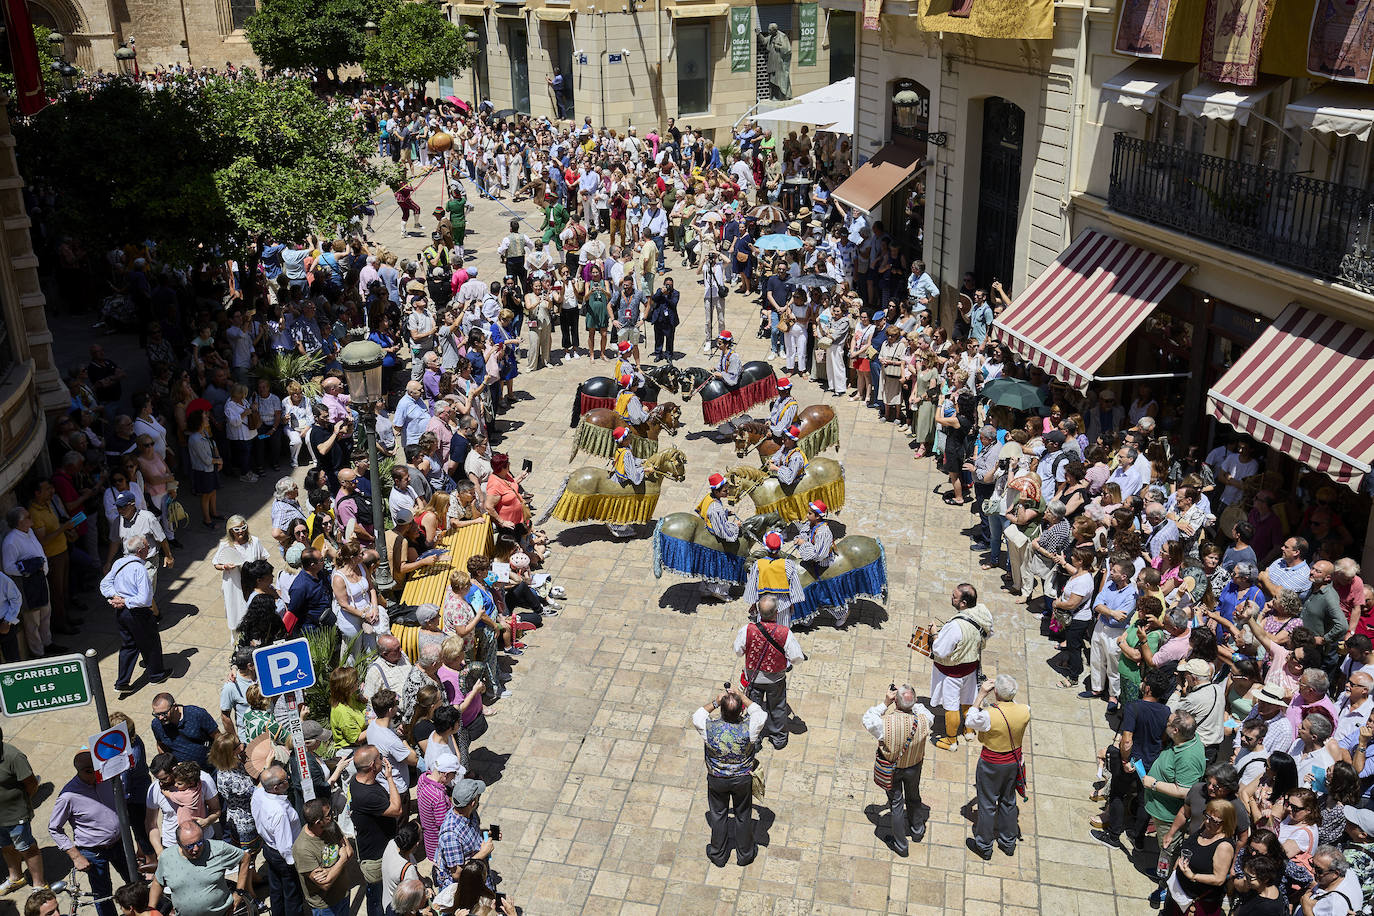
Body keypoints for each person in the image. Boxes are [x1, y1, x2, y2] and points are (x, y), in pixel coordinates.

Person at [692, 685, 765, 867]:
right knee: (743, 814)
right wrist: (741, 696)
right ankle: (745, 854)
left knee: (718, 815)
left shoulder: (708, 727)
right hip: (742, 779)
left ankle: (718, 854)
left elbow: (698, 715)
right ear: (741, 710)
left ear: (722, 711)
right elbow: (758, 712)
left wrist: (716, 702)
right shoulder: (750, 727)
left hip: (717, 779)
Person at [964, 674, 1031, 859]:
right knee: (1008, 801)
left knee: (987, 804)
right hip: (1013, 762)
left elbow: (970, 720)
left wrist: (980, 695)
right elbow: (1012, 706)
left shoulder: (989, 715)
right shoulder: (1025, 710)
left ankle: (984, 846)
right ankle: (1008, 843)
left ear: (995, 693)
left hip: (991, 763)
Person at [863, 684, 933, 857]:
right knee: (914, 796)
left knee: (896, 804)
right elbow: (923, 710)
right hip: (914, 766)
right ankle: (917, 830)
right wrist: (912, 702)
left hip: (891, 769)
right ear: (915, 701)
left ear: (895, 702)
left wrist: (885, 703)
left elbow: (867, 718)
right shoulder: (925, 720)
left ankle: (901, 846)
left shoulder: (884, 723)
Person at [734, 595, 804, 750]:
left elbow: (738, 651)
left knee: (753, 708)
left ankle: (755, 739)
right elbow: (797, 657)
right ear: (777, 613)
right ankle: (778, 738)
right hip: (776, 679)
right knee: (778, 707)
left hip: (753, 677)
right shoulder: (785, 633)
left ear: (758, 611)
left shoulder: (747, 630)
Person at [930, 583, 995, 750]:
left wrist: (935, 634)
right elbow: (990, 631)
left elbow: (940, 650)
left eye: (955, 597)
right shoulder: (983, 610)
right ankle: (969, 730)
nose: (951, 597)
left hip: (952, 673)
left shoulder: (955, 627)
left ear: (963, 603)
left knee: (951, 707)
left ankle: (951, 741)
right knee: (969, 700)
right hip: (972, 667)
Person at [102, 535, 170, 691]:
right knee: (151, 642)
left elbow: (104, 584)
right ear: (140, 551)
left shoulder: (119, 562)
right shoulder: (140, 569)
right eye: (147, 546)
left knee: (129, 645)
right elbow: (145, 599)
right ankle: (156, 675)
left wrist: (115, 596)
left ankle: (122, 683)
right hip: (138, 613)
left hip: (121, 614)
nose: (149, 549)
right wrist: (125, 600)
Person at [150, 822, 251, 916]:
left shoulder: (218, 849)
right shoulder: (167, 857)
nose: (196, 849)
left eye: (199, 842)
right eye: (190, 846)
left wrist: (239, 892)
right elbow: (157, 883)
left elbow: (245, 858)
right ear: (179, 844)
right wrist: (151, 910)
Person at [349, 747, 402, 916]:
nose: (383, 759)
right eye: (380, 758)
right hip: (376, 858)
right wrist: (389, 778)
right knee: (377, 899)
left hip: (376, 848)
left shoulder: (356, 781)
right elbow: (397, 809)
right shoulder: (367, 795)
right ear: (373, 765)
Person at [1163, 799, 1238, 915]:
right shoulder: (1206, 827)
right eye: (1207, 816)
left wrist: (1193, 876)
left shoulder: (1224, 847)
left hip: (1198, 904)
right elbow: (1193, 847)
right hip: (1179, 893)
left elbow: (1219, 879)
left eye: (1214, 821)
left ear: (1226, 823)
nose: (1208, 821)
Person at [250, 765, 303, 916]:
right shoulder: (279, 812)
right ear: (275, 787)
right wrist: (293, 865)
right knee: (293, 895)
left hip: (269, 849)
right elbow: (285, 845)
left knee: (276, 890)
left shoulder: (259, 793)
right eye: (285, 780)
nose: (289, 780)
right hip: (283, 856)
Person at [293, 799, 359, 916]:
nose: (332, 816)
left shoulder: (331, 826)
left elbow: (349, 852)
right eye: (328, 815)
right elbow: (325, 884)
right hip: (325, 907)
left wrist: (329, 871)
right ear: (318, 822)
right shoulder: (303, 849)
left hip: (343, 894)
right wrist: (342, 859)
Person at [0, 727, 42, 896]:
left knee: (27, 848)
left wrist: (22, 804)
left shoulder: (14, 757)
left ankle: (39, 884)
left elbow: (31, 784)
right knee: (6, 847)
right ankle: (16, 877)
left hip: (16, 815)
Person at [433, 778, 495, 890]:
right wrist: (482, 853)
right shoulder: (451, 836)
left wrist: (486, 834)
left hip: (480, 874)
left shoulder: (470, 813)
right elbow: (457, 874)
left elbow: (471, 834)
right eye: (477, 796)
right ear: (473, 803)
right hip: (467, 887)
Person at [212, 516, 268, 633]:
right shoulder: (225, 545)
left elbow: (264, 559)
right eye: (237, 529)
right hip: (234, 586)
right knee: (237, 614)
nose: (241, 531)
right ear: (230, 530)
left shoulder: (255, 542)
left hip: (253, 585)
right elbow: (216, 563)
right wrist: (225, 567)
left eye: (243, 527)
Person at [742, 532, 804, 628]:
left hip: (765, 605)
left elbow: (753, 587)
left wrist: (753, 604)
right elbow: (794, 587)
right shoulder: (788, 564)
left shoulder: (758, 564)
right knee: (782, 631)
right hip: (783, 605)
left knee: (764, 631)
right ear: (780, 547)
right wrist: (792, 604)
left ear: (766, 547)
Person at [150, 693, 219, 772]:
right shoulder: (156, 725)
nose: (160, 718)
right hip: (185, 776)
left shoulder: (196, 714)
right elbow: (160, 744)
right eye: (156, 714)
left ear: (175, 707)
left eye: (164, 713)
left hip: (210, 768)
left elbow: (218, 737)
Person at [1303, 845, 1364, 915]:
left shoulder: (1334, 903)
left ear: (1335, 874)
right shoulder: (1349, 873)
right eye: (1312, 864)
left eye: (1319, 870)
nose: (1312, 871)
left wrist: (1306, 909)